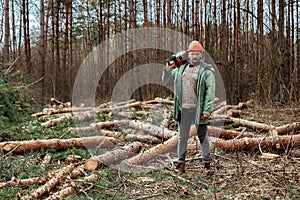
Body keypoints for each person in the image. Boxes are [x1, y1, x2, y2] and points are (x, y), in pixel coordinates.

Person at [162, 41, 215, 174]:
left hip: (199, 110)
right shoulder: (181, 69)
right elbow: (166, 81)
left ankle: (207, 165)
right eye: (192, 53)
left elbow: (210, 92)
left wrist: (207, 110)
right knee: (182, 137)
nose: (194, 56)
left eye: (197, 54)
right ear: (188, 54)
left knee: (203, 137)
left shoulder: (206, 71)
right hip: (183, 109)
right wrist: (168, 68)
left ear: (201, 55)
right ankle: (181, 164)